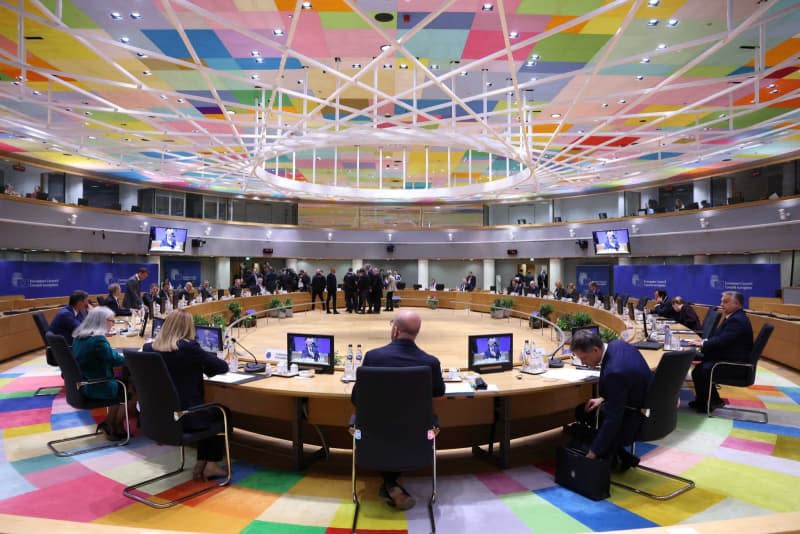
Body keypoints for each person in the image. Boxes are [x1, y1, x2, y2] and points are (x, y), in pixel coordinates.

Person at [351, 310, 445, 511]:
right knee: (405, 428)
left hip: (375, 432)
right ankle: (391, 484)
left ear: (394, 330)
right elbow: (439, 392)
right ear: (416, 333)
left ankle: (390, 484)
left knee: (382, 427)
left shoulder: (373, 357)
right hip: (416, 433)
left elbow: (355, 399)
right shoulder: (430, 363)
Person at [143, 309, 229, 481]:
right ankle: (210, 465)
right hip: (185, 417)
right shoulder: (188, 347)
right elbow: (221, 367)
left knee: (206, 410)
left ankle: (201, 461)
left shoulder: (148, 348)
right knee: (220, 413)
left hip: (159, 418)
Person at [569, 329, 652, 468]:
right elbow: (628, 382)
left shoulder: (614, 372)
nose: (583, 363)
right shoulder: (618, 345)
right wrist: (604, 398)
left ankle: (610, 455)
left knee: (584, 413)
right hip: (650, 407)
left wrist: (593, 453)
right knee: (587, 409)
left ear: (595, 350)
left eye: (583, 358)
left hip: (636, 420)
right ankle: (620, 455)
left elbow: (613, 419)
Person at [71, 306, 132, 440]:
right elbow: (115, 360)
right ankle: (114, 423)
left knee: (124, 381)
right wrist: (132, 357)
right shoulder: (98, 340)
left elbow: (107, 357)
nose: (113, 323)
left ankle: (110, 423)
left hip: (84, 383)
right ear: (102, 321)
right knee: (134, 387)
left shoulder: (79, 336)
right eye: (112, 320)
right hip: (98, 386)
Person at [687, 291, 753, 412]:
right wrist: (704, 341)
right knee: (699, 369)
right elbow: (721, 338)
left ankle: (710, 402)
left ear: (737, 304)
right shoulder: (734, 317)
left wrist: (703, 343)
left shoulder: (737, 320)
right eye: (722, 301)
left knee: (701, 370)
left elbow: (722, 341)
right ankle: (708, 400)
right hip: (729, 357)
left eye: (726, 302)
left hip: (735, 364)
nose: (721, 304)